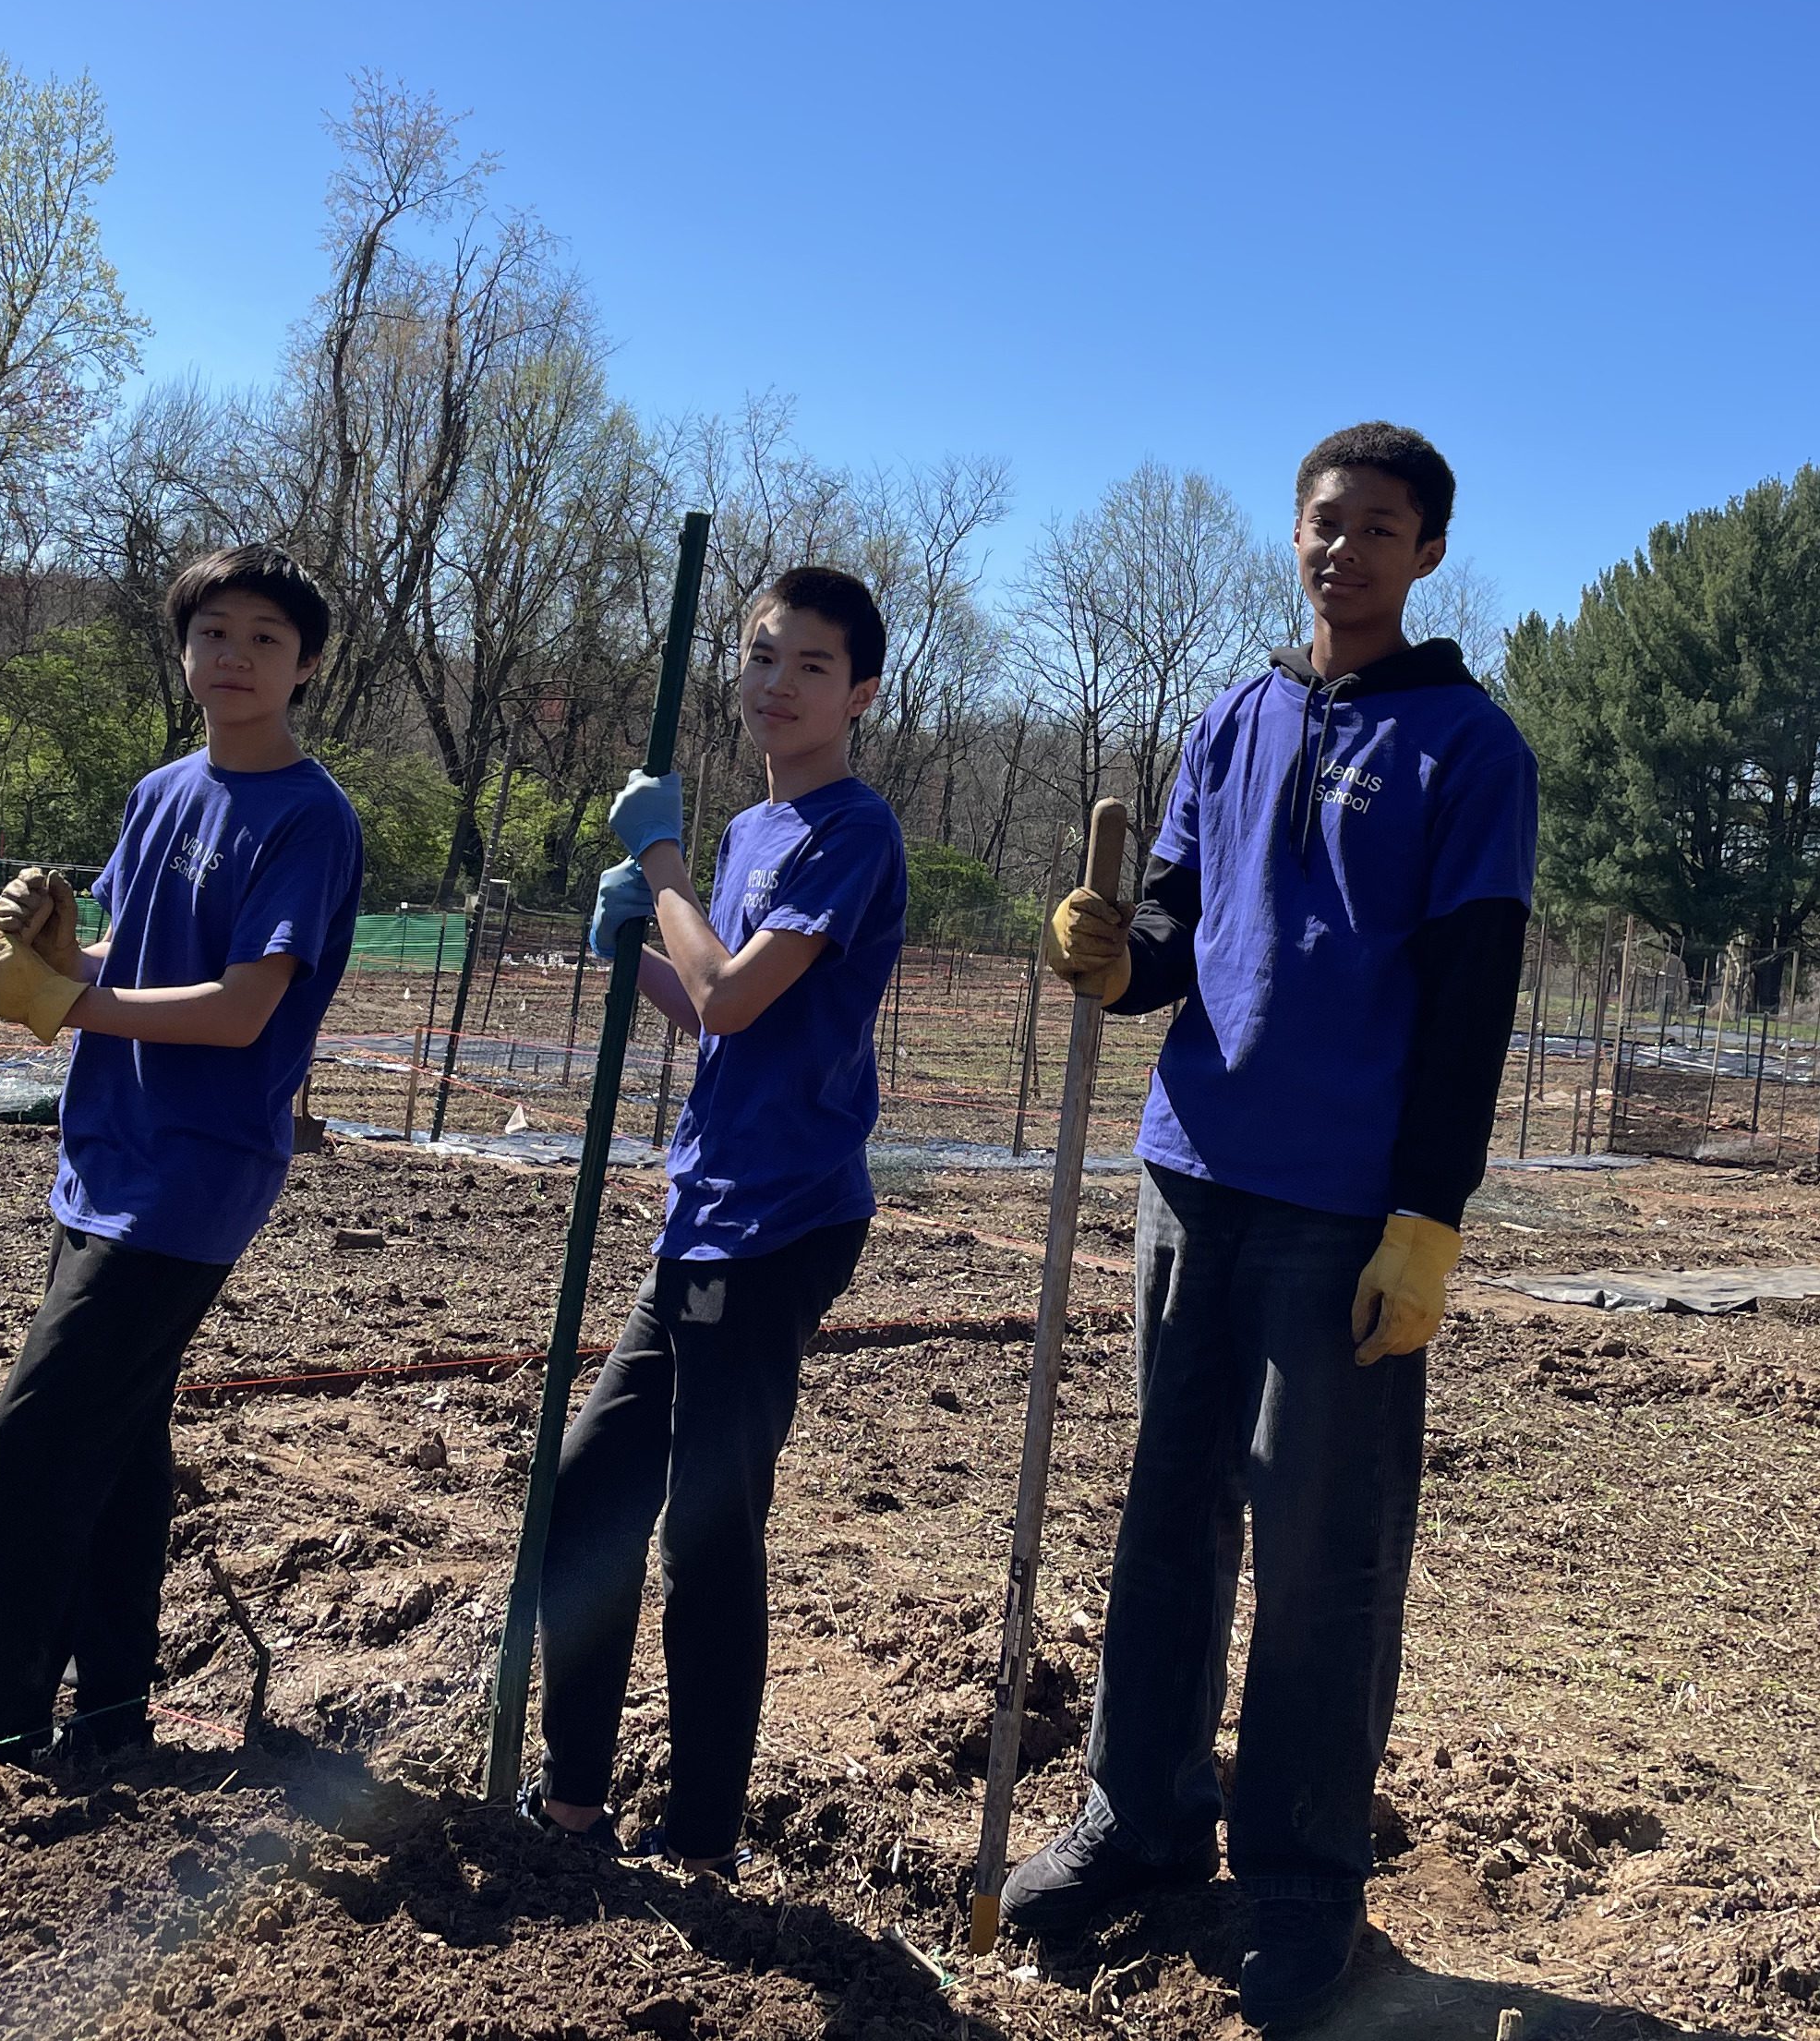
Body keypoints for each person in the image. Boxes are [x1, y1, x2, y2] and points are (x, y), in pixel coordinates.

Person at [998, 422, 1537, 2036]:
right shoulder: (1235, 717)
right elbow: (1174, 923)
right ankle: (1141, 1814)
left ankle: (1301, 1872)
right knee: (1166, 1512)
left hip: (1342, 1206)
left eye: (1379, 526)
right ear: (1293, 532)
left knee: (1320, 1548)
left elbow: (1471, 1000)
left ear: (1427, 551)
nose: (1343, 549)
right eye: (1323, 520)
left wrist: (1427, 1215)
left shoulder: (1470, 748)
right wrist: (1115, 955)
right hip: (1191, 1170)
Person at [0, 547, 365, 1772]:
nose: (235, 657)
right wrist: (52, 955)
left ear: (307, 666)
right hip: (104, 1148)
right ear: (183, 651)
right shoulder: (162, 791)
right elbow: (117, 963)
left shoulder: (309, 818)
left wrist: (58, 1002)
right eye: (213, 633)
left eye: (266, 639)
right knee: (118, 1444)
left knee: (33, 1436)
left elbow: (239, 1011)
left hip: (195, 1170)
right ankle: (112, 1709)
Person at [522, 565, 907, 1881]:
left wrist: (662, 864)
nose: (777, 684)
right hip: (705, 1210)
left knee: (706, 1528)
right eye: (760, 656)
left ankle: (700, 1844)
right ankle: (574, 1806)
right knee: (588, 1496)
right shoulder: (749, 834)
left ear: (860, 695)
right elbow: (708, 1008)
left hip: (782, 1219)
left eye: (811, 666)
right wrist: (632, 947)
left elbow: (737, 993)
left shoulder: (852, 833)